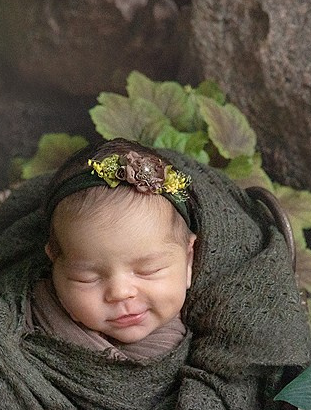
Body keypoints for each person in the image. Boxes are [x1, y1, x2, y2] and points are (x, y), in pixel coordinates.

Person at [28, 139, 197, 362]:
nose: (120, 292)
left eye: (149, 270)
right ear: (54, 266)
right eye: (86, 278)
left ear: (188, 261)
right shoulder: (31, 321)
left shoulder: (210, 324)